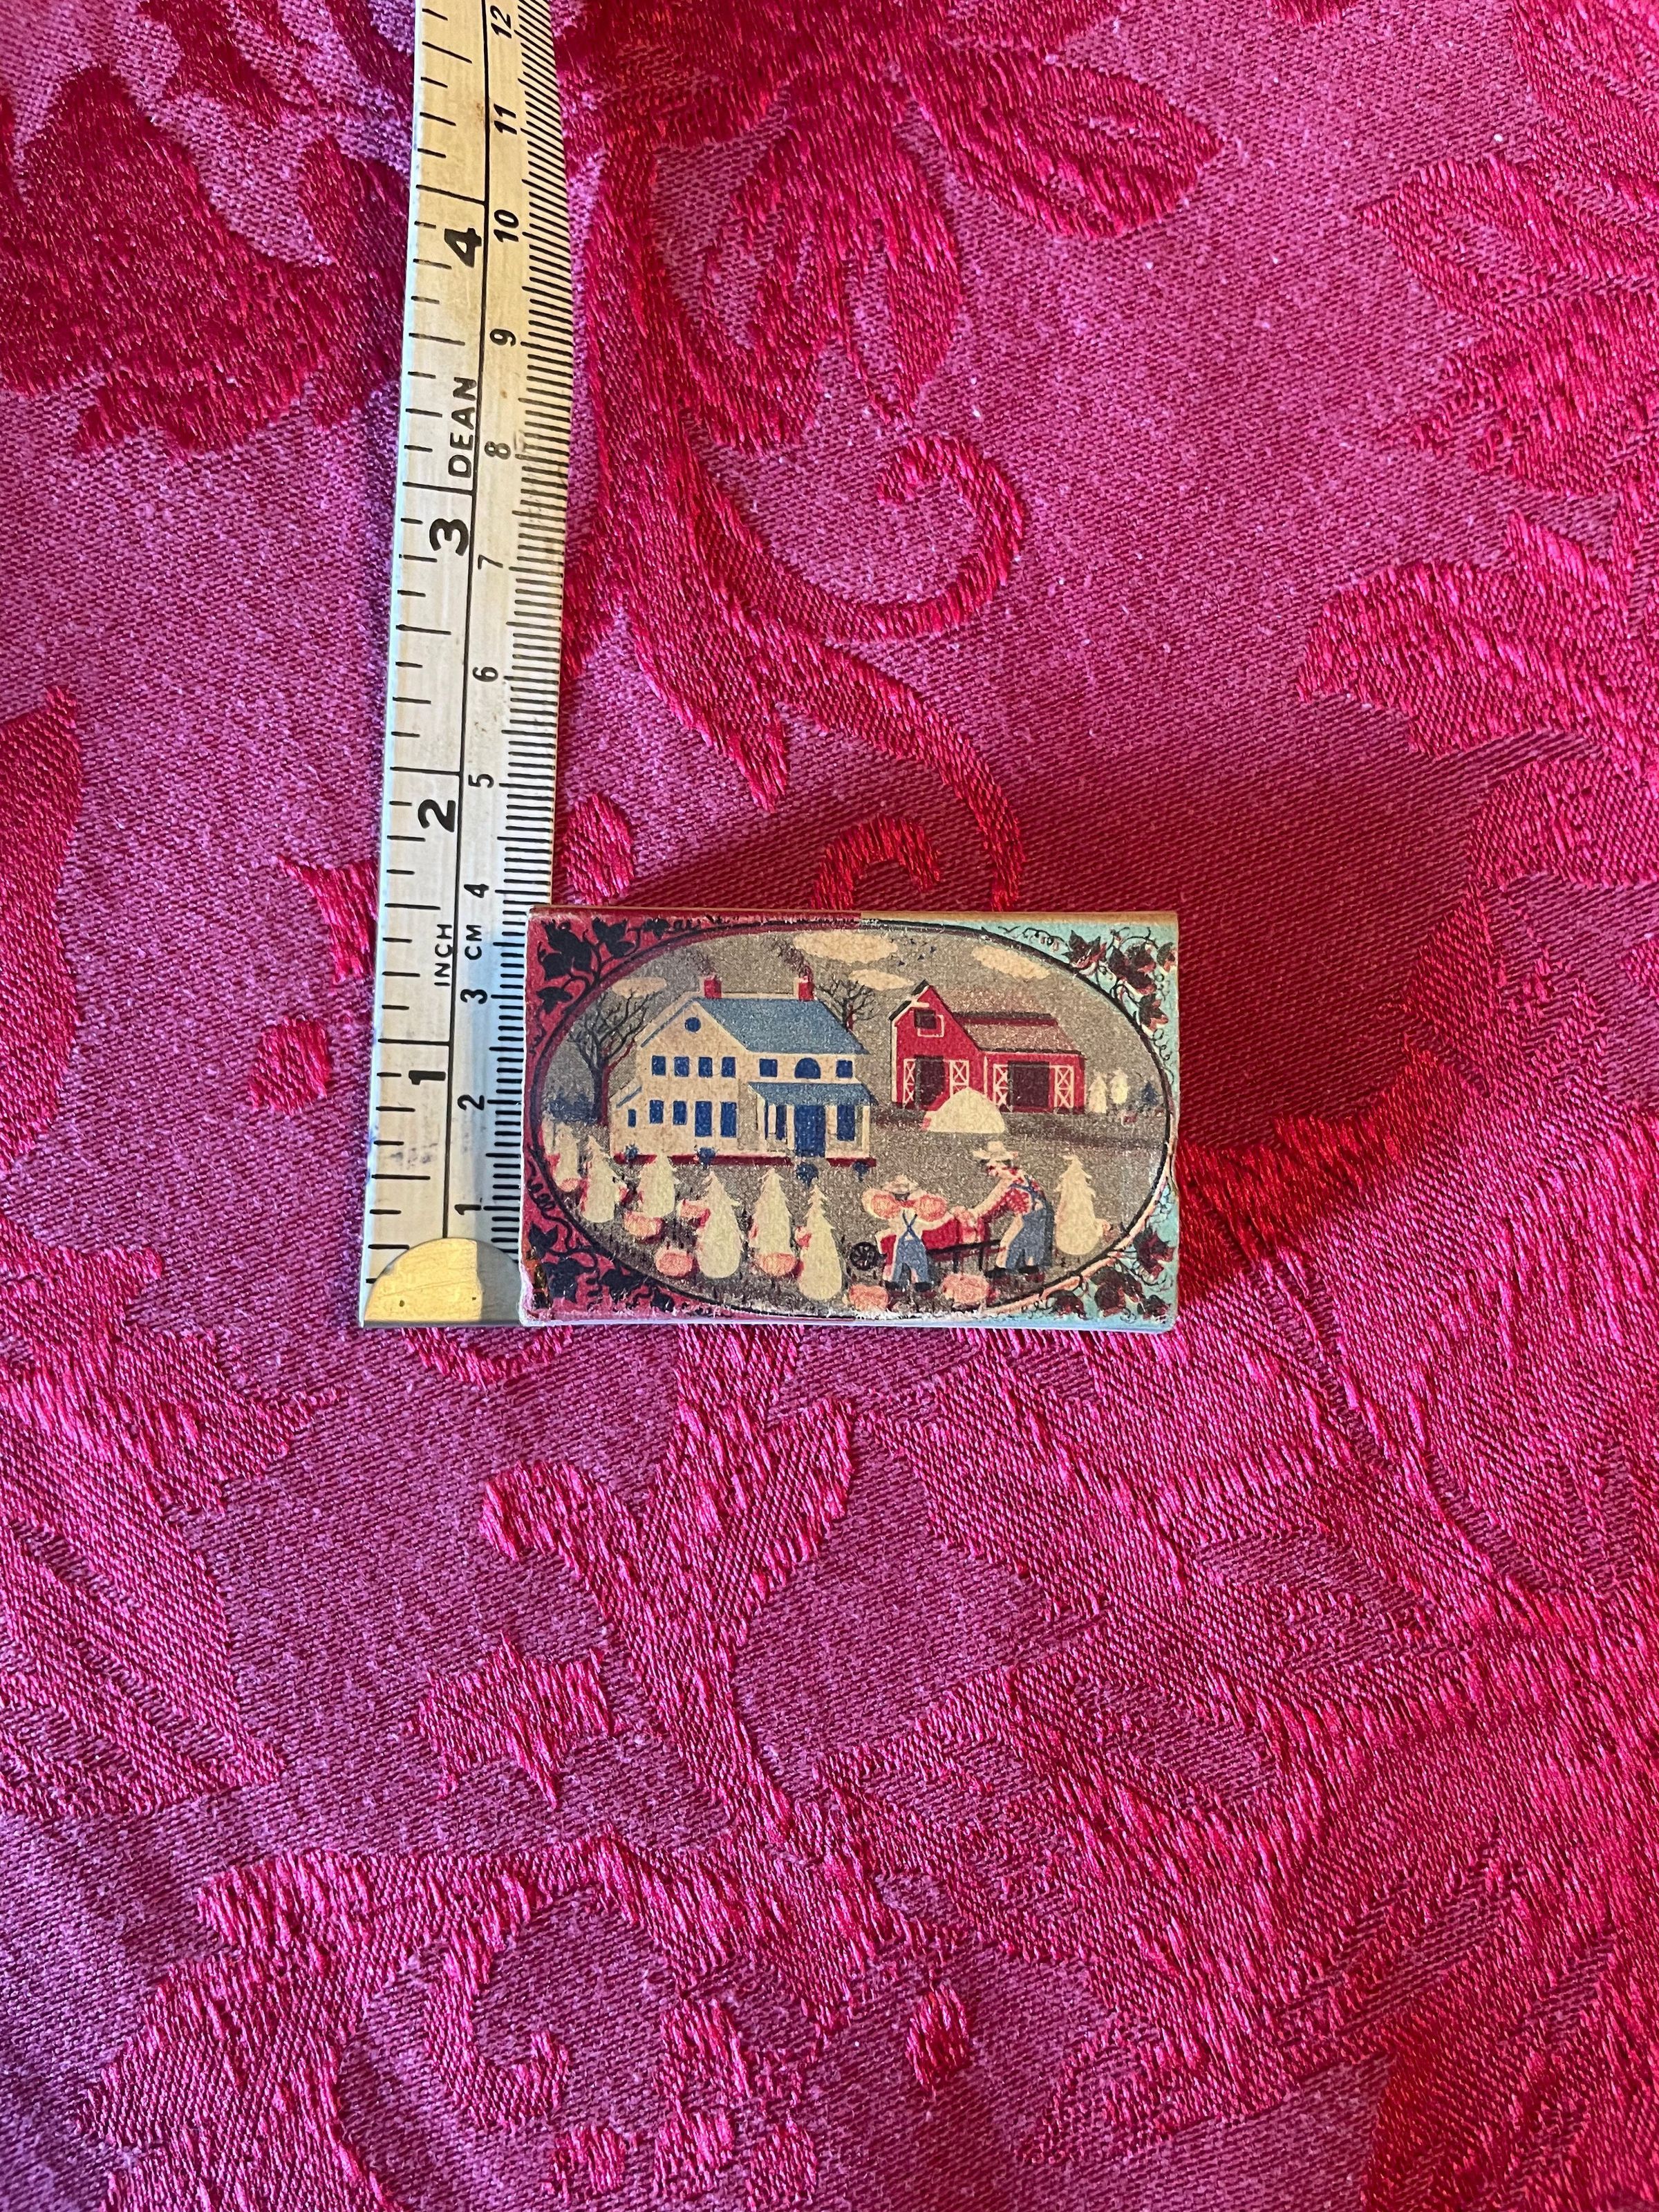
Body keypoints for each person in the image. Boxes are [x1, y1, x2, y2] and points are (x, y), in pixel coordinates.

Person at [958, 1144, 1053, 1275]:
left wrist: (975, 1213)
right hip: (1040, 1213)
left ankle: (1002, 1269)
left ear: (1000, 1164)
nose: (990, 1173)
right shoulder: (1023, 1175)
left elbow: (992, 1203)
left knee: (1008, 1242)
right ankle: (1030, 1267)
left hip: (1025, 1215)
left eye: (991, 1168)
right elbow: (1038, 1192)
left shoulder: (1007, 1183)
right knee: (1033, 1242)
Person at [861, 1179, 953, 1294]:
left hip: (904, 1244)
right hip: (912, 1244)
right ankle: (919, 1286)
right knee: (917, 1267)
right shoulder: (916, 1212)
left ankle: (900, 1284)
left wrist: (881, 1235)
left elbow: (895, 1229)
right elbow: (930, 1225)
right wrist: (944, 1219)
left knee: (902, 1266)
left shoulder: (898, 1214)